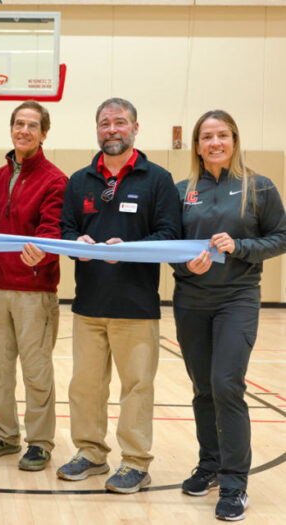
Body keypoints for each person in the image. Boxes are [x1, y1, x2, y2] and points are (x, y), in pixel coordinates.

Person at [57, 98, 180, 493]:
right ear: (97, 130)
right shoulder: (80, 181)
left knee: (137, 387)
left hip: (137, 306)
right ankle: (91, 453)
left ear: (135, 128)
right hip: (88, 304)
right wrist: (80, 242)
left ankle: (135, 462)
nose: (112, 129)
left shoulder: (157, 179)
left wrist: (125, 248)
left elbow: (169, 236)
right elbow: (65, 231)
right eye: (105, 123)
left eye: (120, 122)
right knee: (85, 386)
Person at [172, 110, 286, 521]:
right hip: (190, 300)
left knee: (226, 385)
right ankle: (211, 464)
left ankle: (235, 483)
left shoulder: (259, 187)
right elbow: (172, 248)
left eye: (222, 135)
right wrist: (188, 267)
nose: (214, 142)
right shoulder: (183, 190)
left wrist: (241, 247)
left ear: (234, 140)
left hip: (237, 299)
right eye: (207, 136)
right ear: (197, 145)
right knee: (203, 387)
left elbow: (281, 237)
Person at [0, 101, 67, 471]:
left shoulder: (56, 180)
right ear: (11, 129)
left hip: (35, 292)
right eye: (18, 124)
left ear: (44, 133)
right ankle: (5, 436)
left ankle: (40, 442)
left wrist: (40, 254)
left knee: (36, 372)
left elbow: (52, 231)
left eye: (32, 125)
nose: (24, 130)